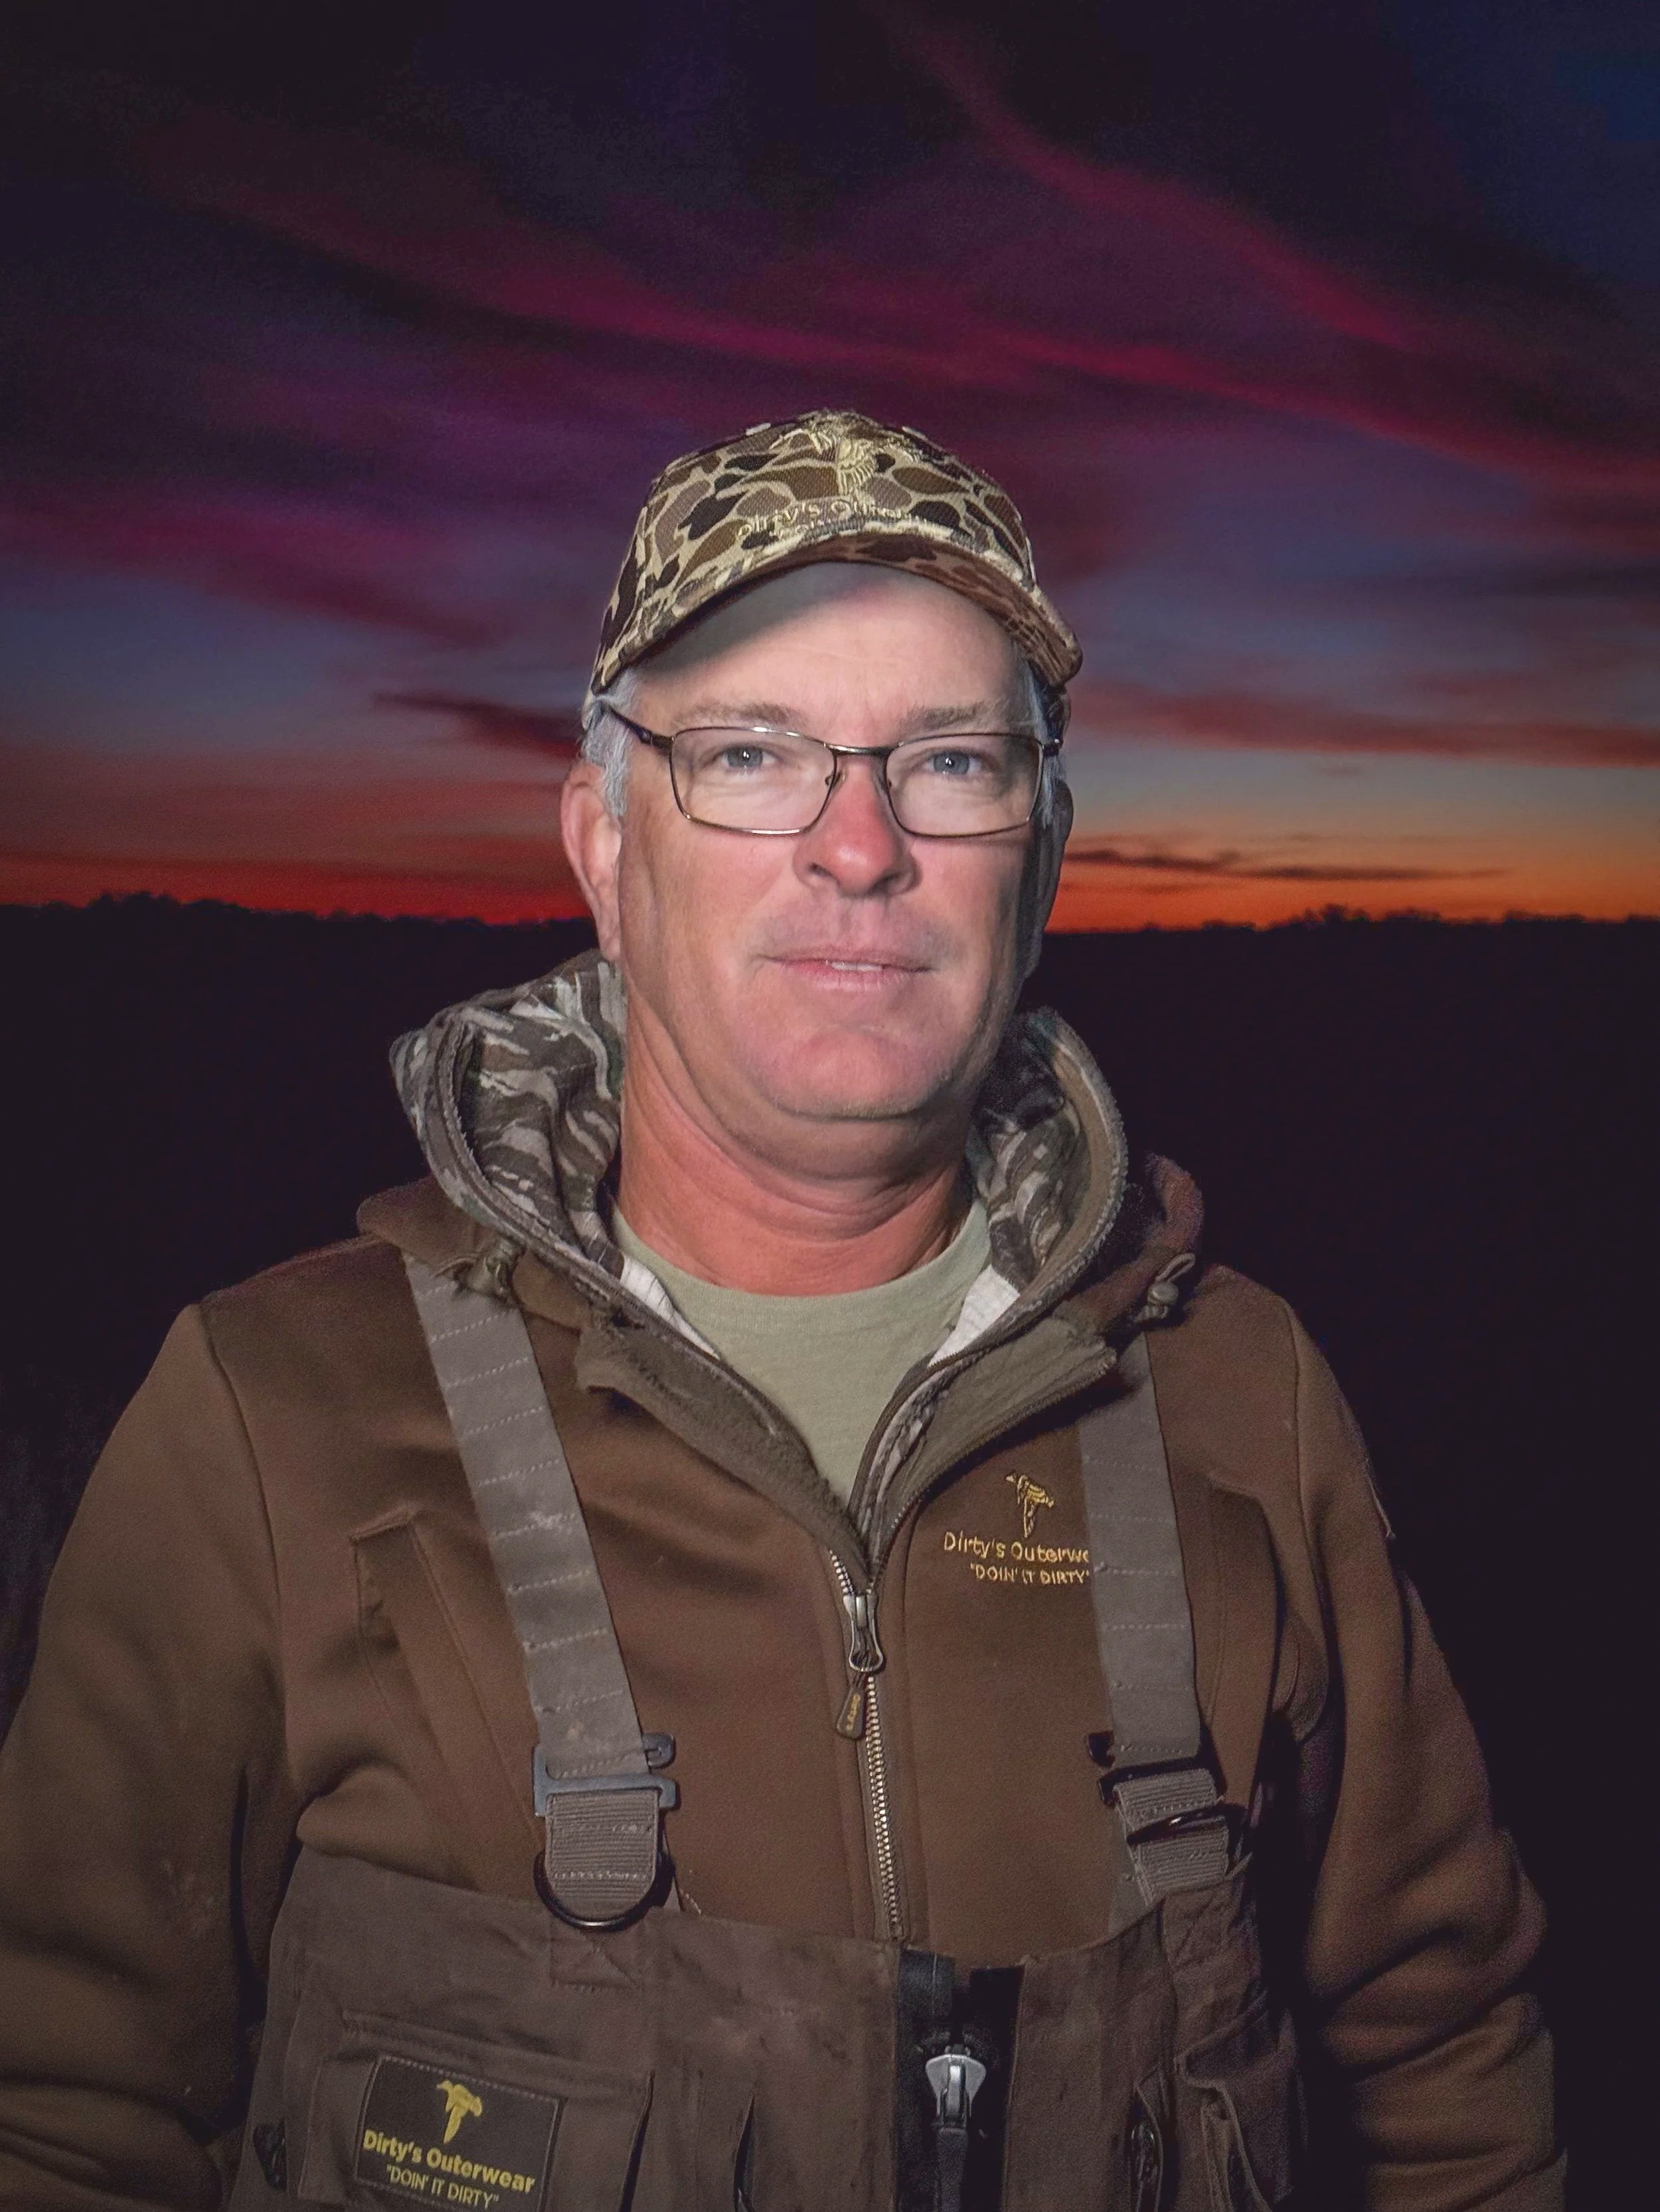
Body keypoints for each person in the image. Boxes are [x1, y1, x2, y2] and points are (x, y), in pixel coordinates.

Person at [0, 411, 1558, 2210]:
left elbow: (1442, 2063)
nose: (859, 845)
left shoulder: (1241, 1398)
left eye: (951, 761)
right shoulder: (272, 1417)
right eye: (750, 753)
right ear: (602, 842)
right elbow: (59, 2107)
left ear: (1038, 856)